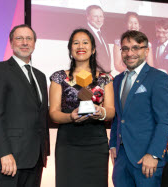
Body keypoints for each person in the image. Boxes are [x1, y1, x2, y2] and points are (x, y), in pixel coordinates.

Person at [0, 24, 50, 187]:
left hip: (36, 159)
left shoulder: (40, 76)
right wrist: (3, 153)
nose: (25, 42)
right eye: (19, 38)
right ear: (11, 43)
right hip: (10, 158)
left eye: (29, 38)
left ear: (34, 43)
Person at [49, 28, 115, 187]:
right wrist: (70, 117)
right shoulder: (59, 77)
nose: (81, 46)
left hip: (96, 144)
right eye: (76, 43)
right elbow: (53, 113)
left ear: (93, 49)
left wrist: (101, 112)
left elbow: (111, 112)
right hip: (68, 144)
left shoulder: (105, 78)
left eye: (85, 43)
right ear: (70, 49)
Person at [109, 30, 168, 187]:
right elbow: (118, 117)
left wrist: (154, 154)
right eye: (125, 48)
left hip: (146, 158)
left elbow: (164, 121)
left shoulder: (158, 77)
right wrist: (112, 143)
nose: (130, 53)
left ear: (146, 50)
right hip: (122, 158)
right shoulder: (117, 80)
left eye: (136, 48)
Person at [85, 5, 111, 72]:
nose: (99, 20)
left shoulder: (102, 34)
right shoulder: (84, 34)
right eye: (95, 16)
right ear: (88, 17)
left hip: (103, 77)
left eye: (101, 16)